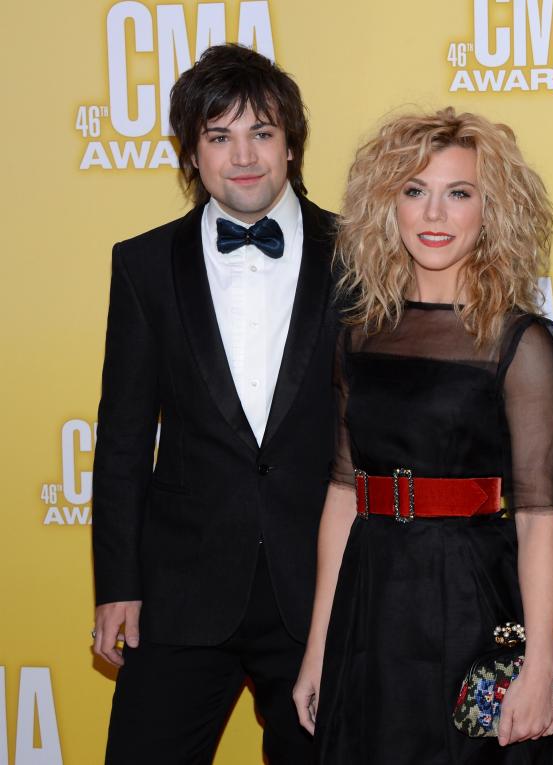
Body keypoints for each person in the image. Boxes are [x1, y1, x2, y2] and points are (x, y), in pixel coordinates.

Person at [293, 108, 553, 764]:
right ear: (386, 206)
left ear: (491, 212)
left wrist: (539, 664)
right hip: (370, 601)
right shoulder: (356, 334)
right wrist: (318, 649)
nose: (434, 214)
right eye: (414, 190)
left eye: (458, 193)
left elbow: (540, 518)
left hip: (472, 595)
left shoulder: (520, 341)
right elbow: (343, 494)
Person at [91, 43, 339, 764]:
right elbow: (124, 438)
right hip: (180, 590)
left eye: (261, 131)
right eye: (219, 135)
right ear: (190, 154)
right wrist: (118, 584)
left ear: (291, 145)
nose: (243, 156)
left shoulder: (360, 254)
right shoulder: (142, 264)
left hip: (318, 593)